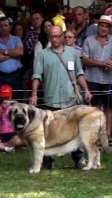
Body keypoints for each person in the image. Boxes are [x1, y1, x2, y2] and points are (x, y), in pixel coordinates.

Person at [30, 26, 92, 169]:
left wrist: (86, 90)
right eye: (51, 36)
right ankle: (48, 159)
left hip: (70, 99)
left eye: (57, 36)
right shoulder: (43, 54)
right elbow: (37, 75)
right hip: (51, 99)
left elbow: (79, 73)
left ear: (63, 36)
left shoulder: (72, 53)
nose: (54, 39)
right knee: (49, 132)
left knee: (74, 130)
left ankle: (79, 159)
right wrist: (34, 93)